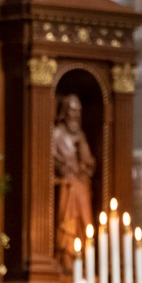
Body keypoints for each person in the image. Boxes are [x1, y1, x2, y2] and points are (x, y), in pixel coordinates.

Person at [53, 93, 96, 270]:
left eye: (78, 111)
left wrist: (82, 148)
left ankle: (84, 253)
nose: (76, 115)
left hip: (81, 183)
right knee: (71, 193)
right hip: (67, 185)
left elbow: (89, 164)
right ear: (64, 112)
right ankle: (67, 253)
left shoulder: (81, 136)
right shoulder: (57, 134)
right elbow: (51, 160)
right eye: (72, 110)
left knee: (85, 218)